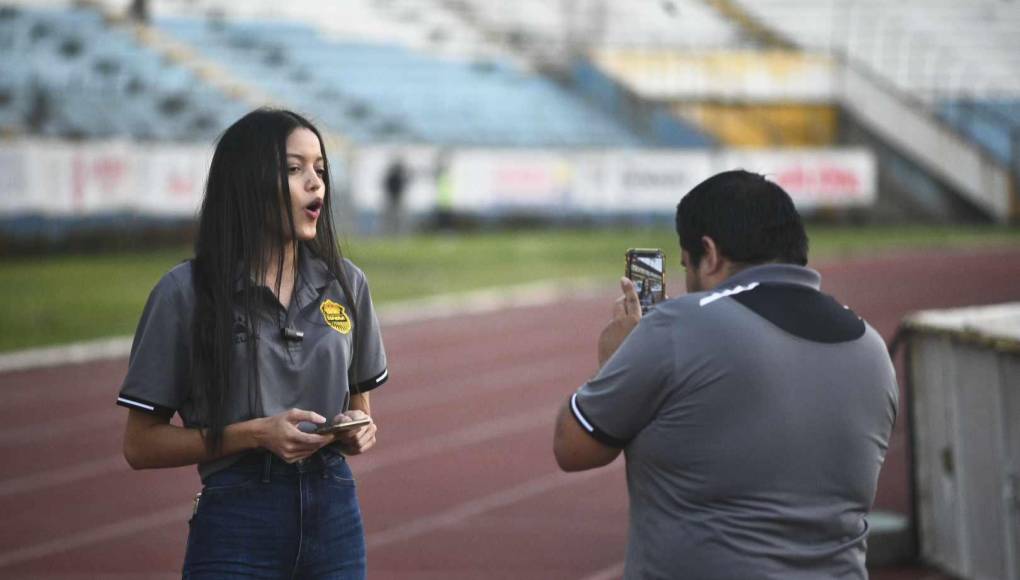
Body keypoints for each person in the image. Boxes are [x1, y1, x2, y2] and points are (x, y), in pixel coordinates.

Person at [553, 170, 898, 579]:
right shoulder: (872, 348)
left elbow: (573, 447)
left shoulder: (677, 326)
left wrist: (615, 360)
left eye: (687, 266)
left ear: (710, 253)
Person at [117, 108, 388, 579]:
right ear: (246, 181)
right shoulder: (185, 293)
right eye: (293, 169)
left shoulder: (348, 285)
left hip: (335, 512)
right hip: (238, 519)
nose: (315, 183)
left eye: (320, 170)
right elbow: (140, 445)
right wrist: (255, 433)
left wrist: (357, 427)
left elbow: (360, 406)